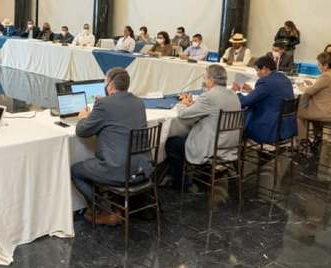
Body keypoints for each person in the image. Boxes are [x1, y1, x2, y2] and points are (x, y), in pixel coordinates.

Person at [70, 68, 150, 225]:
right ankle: (112, 205)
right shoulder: (139, 102)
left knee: (76, 170)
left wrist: (84, 117)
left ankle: (104, 213)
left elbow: (82, 131)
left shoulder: (103, 104)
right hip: (142, 168)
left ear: (110, 85)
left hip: (119, 171)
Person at [164, 65, 241, 188]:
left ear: (211, 80)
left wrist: (183, 104)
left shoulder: (209, 96)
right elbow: (212, 110)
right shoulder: (233, 94)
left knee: (172, 143)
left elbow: (183, 115)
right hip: (230, 144)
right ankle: (198, 176)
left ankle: (180, 183)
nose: (204, 81)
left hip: (212, 147)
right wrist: (193, 106)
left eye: (205, 78)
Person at [232, 56, 295, 145]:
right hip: (286, 127)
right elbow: (270, 96)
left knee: (241, 119)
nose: (257, 74)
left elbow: (245, 102)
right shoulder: (284, 79)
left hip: (268, 128)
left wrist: (237, 91)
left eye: (258, 70)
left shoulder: (265, 82)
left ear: (265, 69)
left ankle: (236, 150)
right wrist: (252, 91)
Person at [296, 52, 331, 144]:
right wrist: (313, 86)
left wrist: (302, 87)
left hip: (327, 111)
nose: (318, 67)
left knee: (299, 113)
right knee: (308, 108)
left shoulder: (327, 75)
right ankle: (317, 137)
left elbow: (309, 91)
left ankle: (303, 141)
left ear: (325, 65)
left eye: (319, 64)